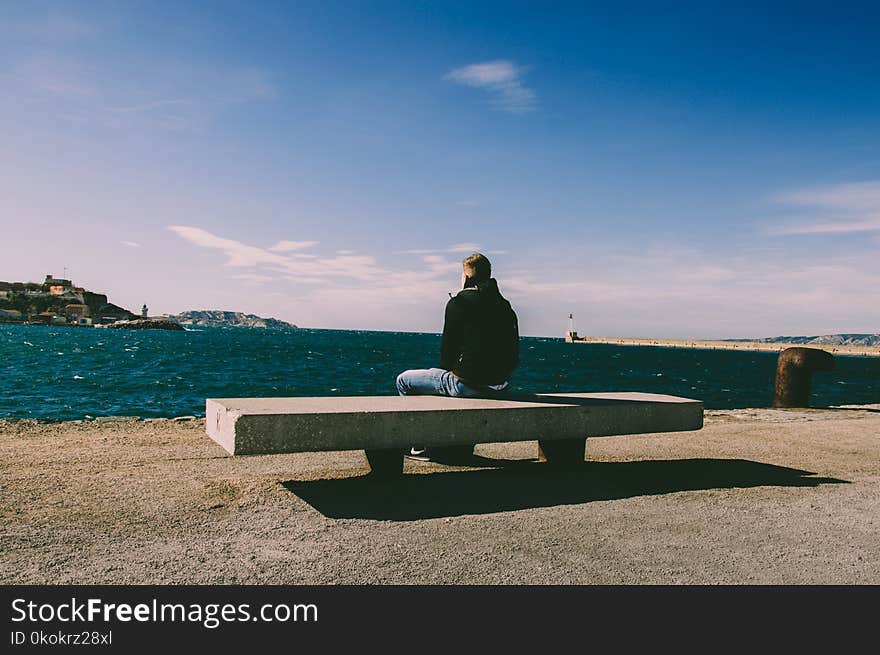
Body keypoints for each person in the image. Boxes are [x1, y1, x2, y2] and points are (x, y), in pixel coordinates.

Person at [396, 252, 519, 461]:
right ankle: (458, 443)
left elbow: (448, 351)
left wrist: (449, 371)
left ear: (467, 277)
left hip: (468, 384)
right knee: (450, 379)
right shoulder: (505, 306)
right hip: (500, 385)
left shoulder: (460, 303)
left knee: (404, 380)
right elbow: (513, 353)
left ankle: (418, 444)